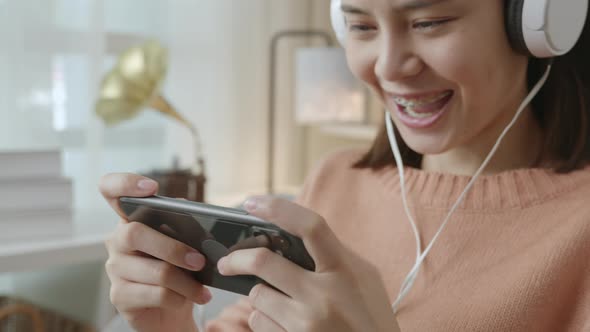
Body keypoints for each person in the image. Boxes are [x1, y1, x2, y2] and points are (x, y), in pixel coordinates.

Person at [99, 0, 590, 331]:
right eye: (361, 27)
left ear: (537, 21)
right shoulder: (335, 181)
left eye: (428, 22)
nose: (388, 66)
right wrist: (171, 325)